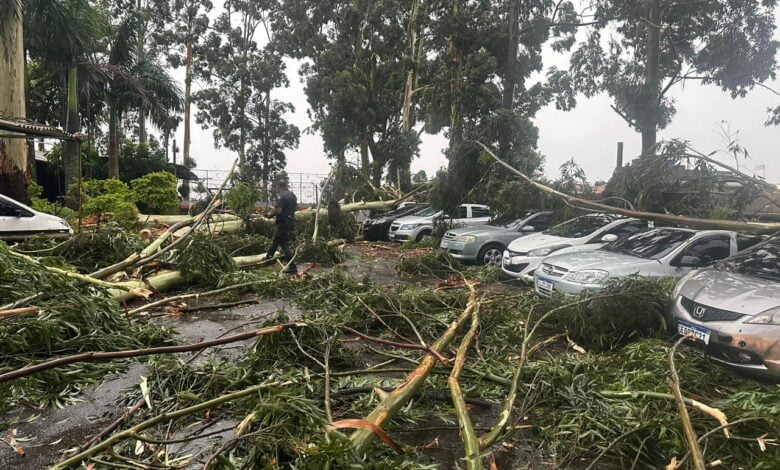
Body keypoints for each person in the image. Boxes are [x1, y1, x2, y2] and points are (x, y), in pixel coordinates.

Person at [265, 177, 298, 273]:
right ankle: (269, 257)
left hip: (283, 222)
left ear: (278, 186)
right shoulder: (292, 195)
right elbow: (295, 207)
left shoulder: (281, 196)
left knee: (284, 244)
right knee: (276, 240)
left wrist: (270, 215)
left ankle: (292, 267)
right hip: (290, 221)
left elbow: (278, 210)